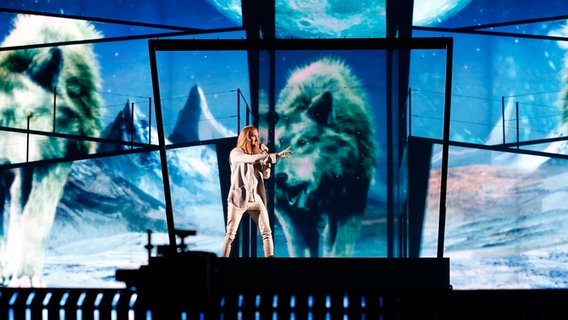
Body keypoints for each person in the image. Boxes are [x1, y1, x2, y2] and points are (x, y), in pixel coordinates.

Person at [221, 125, 292, 258]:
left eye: (258, 136)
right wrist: (271, 155)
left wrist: (265, 158)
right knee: (230, 235)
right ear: (247, 137)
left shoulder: (258, 155)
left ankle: (270, 258)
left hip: (256, 199)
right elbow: (249, 159)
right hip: (239, 199)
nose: (257, 139)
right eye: (254, 136)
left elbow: (266, 175)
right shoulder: (236, 153)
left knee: (267, 232)